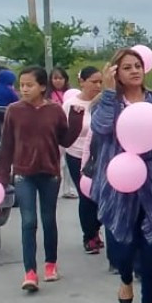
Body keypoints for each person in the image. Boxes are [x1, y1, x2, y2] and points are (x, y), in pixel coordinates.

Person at [90, 48, 152, 303]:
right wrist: (107, 94)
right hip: (118, 184)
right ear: (116, 72)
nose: (134, 70)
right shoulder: (108, 101)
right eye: (127, 67)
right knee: (122, 245)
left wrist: (142, 150)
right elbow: (101, 128)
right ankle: (126, 278)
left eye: (138, 65)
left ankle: (149, 301)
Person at [0, 67, 84, 290]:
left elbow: (65, 139)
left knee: (48, 220)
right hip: (24, 173)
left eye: (29, 85)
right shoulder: (14, 111)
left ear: (42, 87)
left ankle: (51, 265)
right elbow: (6, 146)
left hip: (49, 173)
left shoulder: (54, 110)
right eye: (21, 85)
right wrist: (2, 177)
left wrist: (75, 119)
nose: (24, 89)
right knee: (28, 221)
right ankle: (30, 272)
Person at [63, 66, 104, 254]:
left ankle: (96, 227)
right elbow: (62, 132)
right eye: (94, 82)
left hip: (99, 156)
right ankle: (90, 236)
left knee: (101, 197)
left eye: (100, 82)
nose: (98, 85)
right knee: (86, 196)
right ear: (82, 82)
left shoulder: (105, 102)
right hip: (76, 155)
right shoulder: (70, 104)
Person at [50, 68, 79, 199]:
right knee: (56, 160)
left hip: (67, 130)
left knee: (67, 162)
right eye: (55, 78)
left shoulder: (72, 94)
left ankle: (67, 188)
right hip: (52, 131)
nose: (58, 81)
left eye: (60, 78)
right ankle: (53, 186)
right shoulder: (48, 94)